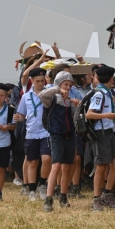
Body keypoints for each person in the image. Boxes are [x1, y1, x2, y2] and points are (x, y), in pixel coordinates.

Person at [87, 65, 115, 211]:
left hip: (109, 131)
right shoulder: (99, 94)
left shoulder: (109, 93)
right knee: (101, 165)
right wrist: (108, 115)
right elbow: (90, 114)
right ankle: (96, 198)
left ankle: (107, 192)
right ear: (110, 78)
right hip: (101, 132)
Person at [38, 71, 80, 212]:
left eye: (70, 85)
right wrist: (58, 89)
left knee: (67, 167)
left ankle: (63, 195)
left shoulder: (71, 97)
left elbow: (75, 117)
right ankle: (48, 199)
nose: (68, 87)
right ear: (59, 83)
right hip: (56, 135)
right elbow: (41, 95)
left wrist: (76, 105)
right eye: (65, 84)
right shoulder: (52, 97)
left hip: (70, 135)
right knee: (56, 166)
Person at [14, 68, 51, 201]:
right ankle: (31, 189)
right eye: (37, 81)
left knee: (46, 159)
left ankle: (42, 184)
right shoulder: (26, 96)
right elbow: (23, 114)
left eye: (42, 80)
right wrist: (19, 118)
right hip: (31, 132)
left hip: (45, 131)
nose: (41, 83)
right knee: (32, 161)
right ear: (32, 81)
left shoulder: (49, 93)